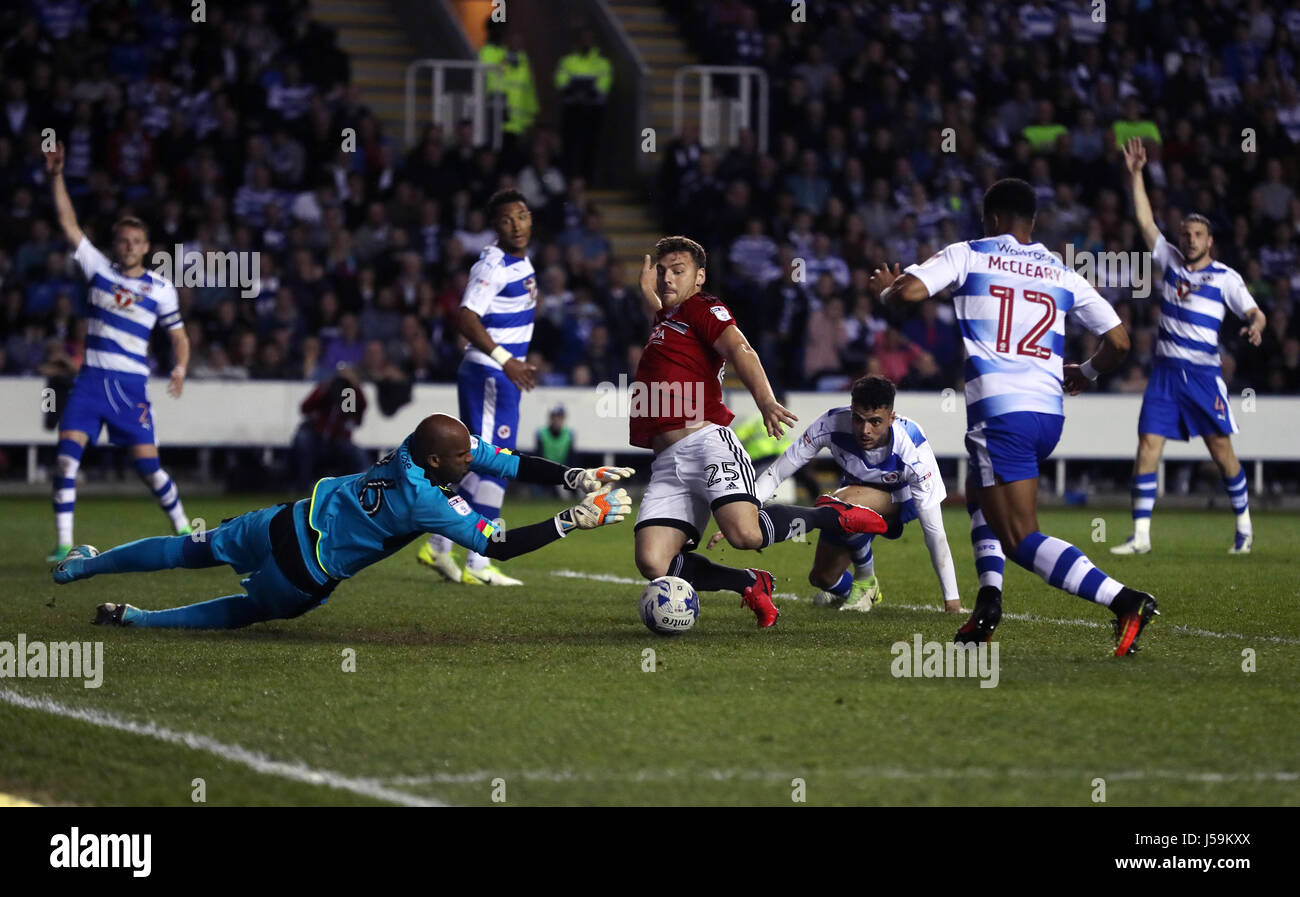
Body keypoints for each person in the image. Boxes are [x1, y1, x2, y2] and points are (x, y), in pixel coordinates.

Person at [869, 178, 1159, 657]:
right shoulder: (1063, 272)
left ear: (994, 219)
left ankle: (1126, 601)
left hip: (1001, 415)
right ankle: (988, 602)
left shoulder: (971, 253)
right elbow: (1121, 341)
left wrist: (886, 292)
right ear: (1033, 223)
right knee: (983, 497)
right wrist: (1085, 373)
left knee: (1021, 536)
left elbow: (912, 292)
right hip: (1047, 413)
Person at [55, 414, 633, 629]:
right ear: (438, 461)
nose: (471, 463)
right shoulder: (428, 504)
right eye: (462, 458)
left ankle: (86, 567)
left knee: (191, 549)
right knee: (249, 612)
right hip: (306, 575)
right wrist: (572, 520)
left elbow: (502, 460)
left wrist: (570, 474)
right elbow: (499, 545)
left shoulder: (416, 446)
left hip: (284, 522)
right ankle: (139, 620)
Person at [632, 236, 889, 629]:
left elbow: (741, 350)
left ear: (699, 277)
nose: (668, 278)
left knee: (746, 534)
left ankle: (829, 514)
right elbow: (659, 308)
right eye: (663, 271)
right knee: (653, 563)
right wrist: (648, 292)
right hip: (667, 462)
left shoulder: (703, 307)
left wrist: (766, 402)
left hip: (705, 444)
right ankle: (751, 582)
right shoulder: (667, 318)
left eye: (678, 271)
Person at [1110, 138, 1266, 556]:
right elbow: (1145, 222)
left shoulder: (1226, 278)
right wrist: (1137, 173)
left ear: (1210, 240)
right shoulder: (1171, 262)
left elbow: (1256, 312)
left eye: (1198, 235)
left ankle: (1244, 526)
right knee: (1147, 445)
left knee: (1221, 452)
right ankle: (1141, 536)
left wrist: (1255, 324)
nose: (1191, 239)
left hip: (1202, 376)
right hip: (1164, 375)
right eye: (1187, 234)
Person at [42, 142, 192, 563]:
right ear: (115, 244)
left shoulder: (161, 288)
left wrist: (181, 367)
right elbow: (69, 225)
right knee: (66, 459)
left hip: (130, 388)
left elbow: (179, 335)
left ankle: (183, 528)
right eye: (122, 240)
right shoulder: (98, 269)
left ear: (146, 247)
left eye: (135, 241)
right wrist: (56, 177)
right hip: (89, 383)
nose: (127, 246)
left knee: (149, 468)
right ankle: (62, 545)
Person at [719, 375, 962, 614]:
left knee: (840, 505)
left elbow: (934, 532)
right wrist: (745, 512)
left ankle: (866, 580)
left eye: (875, 422)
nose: (865, 430)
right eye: (858, 419)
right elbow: (777, 472)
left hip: (900, 499)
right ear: (851, 410)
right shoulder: (830, 424)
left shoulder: (913, 450)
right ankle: (860, 591)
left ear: (891, 418)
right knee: (823, 578)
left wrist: (952, 602)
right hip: (852, 495)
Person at [418, 189, 540, 586]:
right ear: (495, 227)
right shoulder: (493, 264)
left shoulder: (521, 261)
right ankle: (474, 560)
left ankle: (440, 544)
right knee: (487, 463)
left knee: (490, 465)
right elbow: (466, 317)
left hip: (501, 377)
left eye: (521, 215)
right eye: (506, 219)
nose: (516, 225)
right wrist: (507, 360)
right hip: (490, 375)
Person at [289, 365, 369, 491]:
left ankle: (360, 489)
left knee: (356, 454)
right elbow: (305, 408)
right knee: (303, 440)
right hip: (317, 436)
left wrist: (353, 388)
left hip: (339, 440)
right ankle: (303, 485)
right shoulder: (325, 389)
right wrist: (328, 389)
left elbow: (356, 416)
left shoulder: (350, 395)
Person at [554, 28, 612, 182]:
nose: (586, 42)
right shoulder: (568, 61)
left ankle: (588, 180)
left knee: (591, 145)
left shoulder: (602, 63)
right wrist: (576, 91)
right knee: (569, 145)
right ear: (578, 41)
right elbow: (560, 81)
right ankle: (568, 178)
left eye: (589, 39)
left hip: (593, 110)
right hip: (572, 108)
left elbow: (604, 85)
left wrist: (585, 92)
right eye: (583, 39)